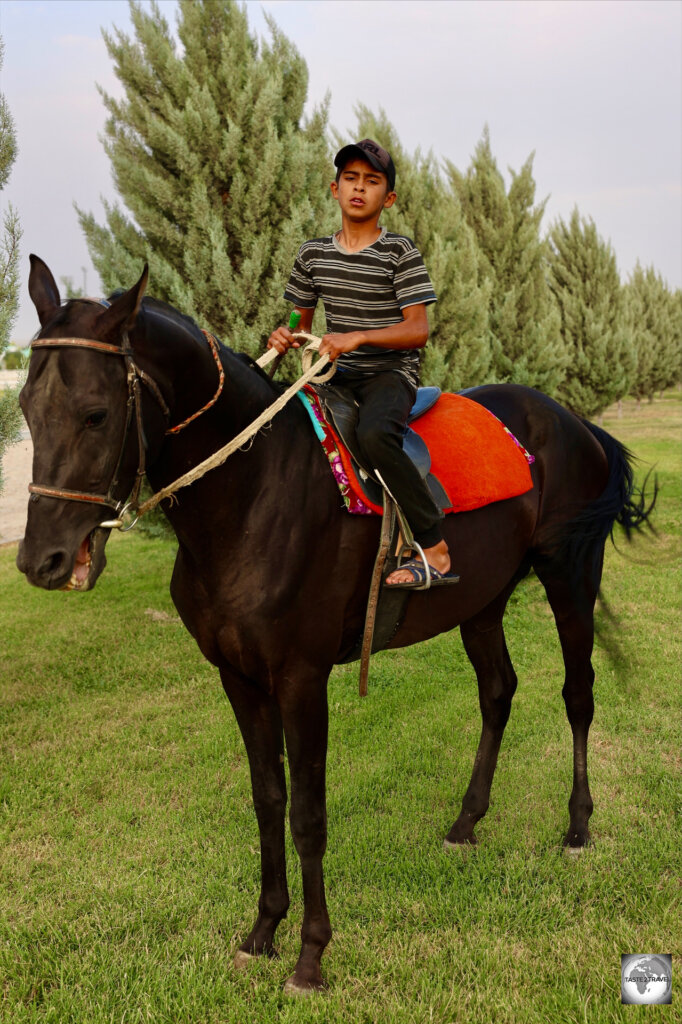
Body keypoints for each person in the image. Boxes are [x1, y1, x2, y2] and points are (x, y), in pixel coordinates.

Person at [267, 138, 458, 588]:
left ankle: (435, 550)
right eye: (350, 179)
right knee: (287, 431)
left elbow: (418, 330)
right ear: (334, 188)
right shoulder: (312, 254)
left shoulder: (399, 253)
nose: (359, 188)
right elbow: (300, 318)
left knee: (374, 435)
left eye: (371, 182)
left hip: (389, 374)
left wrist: (359, 337)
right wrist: (285, 333)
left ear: (387, 198)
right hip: (335, 375)